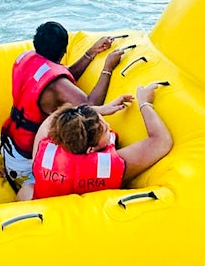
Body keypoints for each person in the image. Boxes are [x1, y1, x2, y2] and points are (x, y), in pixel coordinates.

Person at [1, 21, 131, 200]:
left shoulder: (29, 58)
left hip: (10, 145)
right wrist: (107, 68)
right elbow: (89, 106)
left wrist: (90, 53)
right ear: (64, 51)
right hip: (26, 162)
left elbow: (61, 77)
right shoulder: (57, 84)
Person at [31, 82, 173, 200]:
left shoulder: (43, 149)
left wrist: (99, 111)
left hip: (49, 209)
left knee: (27, 187)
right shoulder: (111, 166)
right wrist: (144, 103)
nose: (109, 127)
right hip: (92, 222)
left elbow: (56, 117)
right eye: (105, 129)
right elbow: (161, 141)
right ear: (91, 150)